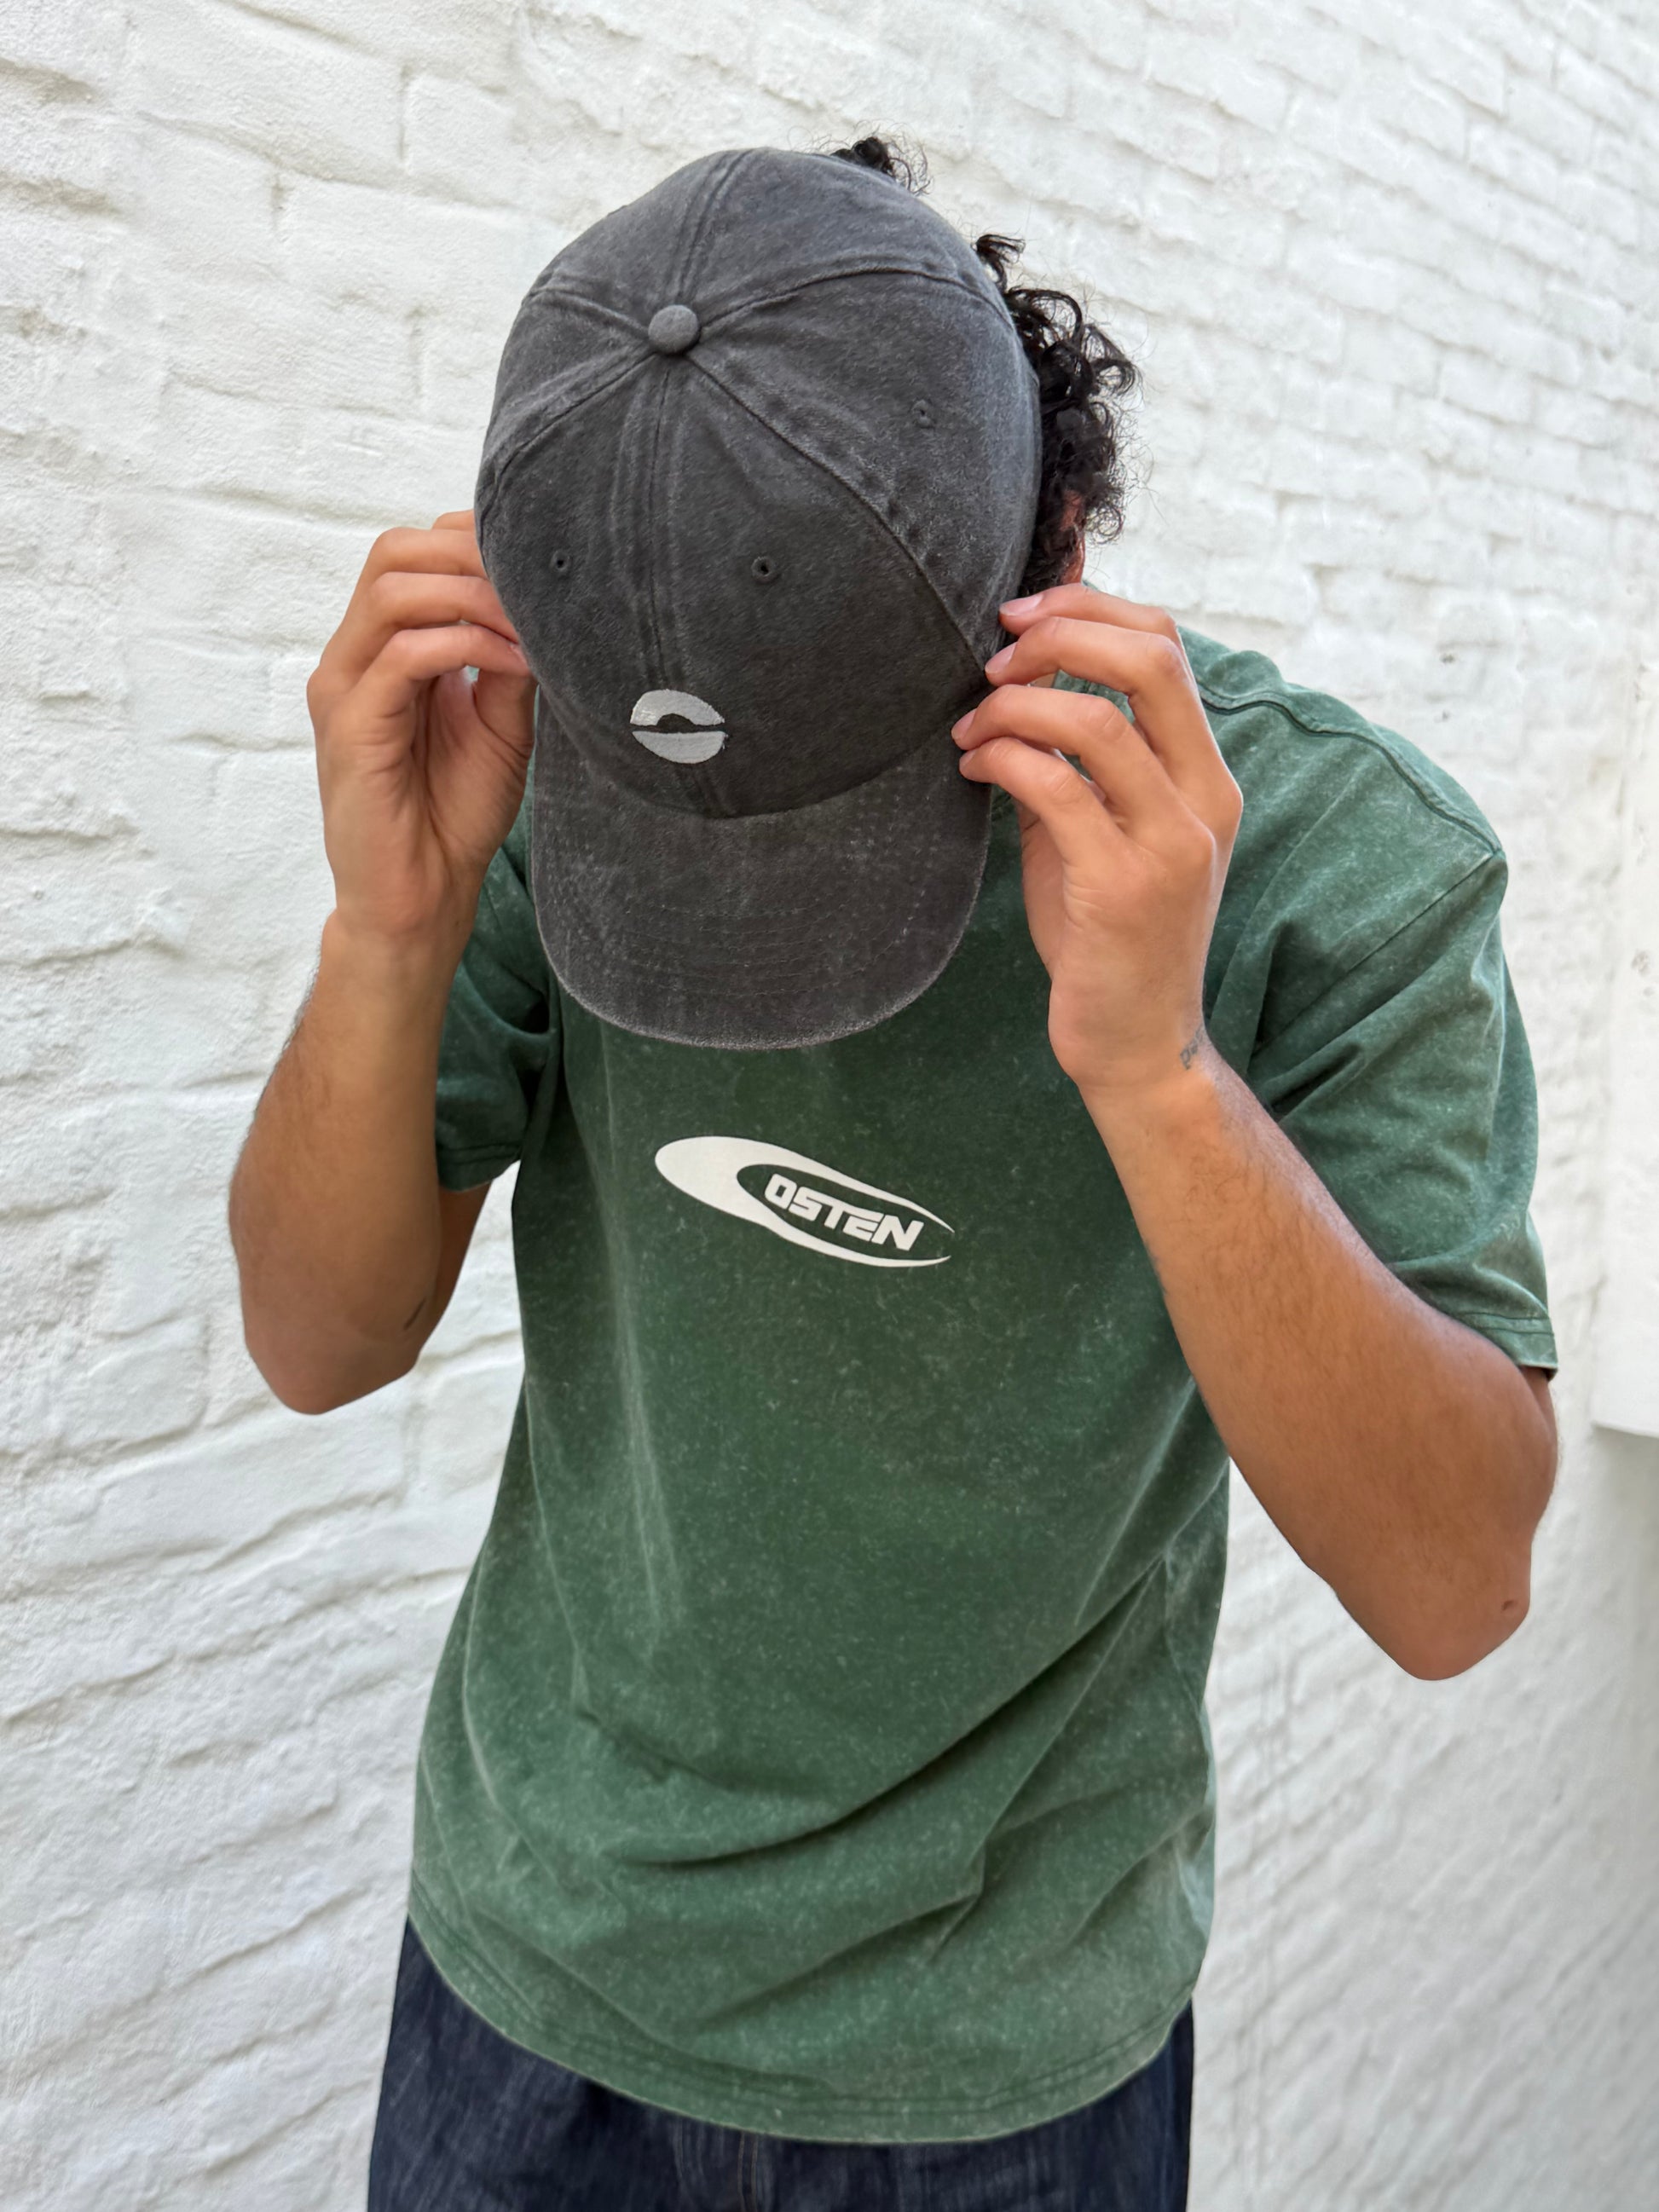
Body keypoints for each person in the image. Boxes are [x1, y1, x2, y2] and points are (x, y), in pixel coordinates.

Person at [228, 138, 1558, 2211]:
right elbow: (317, 1341)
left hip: (994, 2066)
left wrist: (1156, 1068)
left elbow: (1452, 1579)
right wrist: (389, 932)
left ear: (1059, 551)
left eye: (831, 794)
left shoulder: (1328, 859)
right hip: (528, 1977)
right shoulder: (555, 758)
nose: (743, 886)